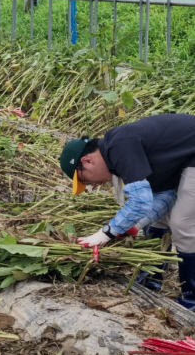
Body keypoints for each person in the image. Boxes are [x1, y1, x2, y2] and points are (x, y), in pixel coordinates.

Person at [59, 113, 195, 308]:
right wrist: (135, 225)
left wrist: (106, 233)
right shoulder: (118, 154)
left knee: (183, 224)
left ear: (88, 161)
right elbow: (165, 196)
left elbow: (140, 201)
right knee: (159, 221)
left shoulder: (119, 146)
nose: (92, 185)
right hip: (186, 160)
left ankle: (192, 299)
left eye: (85, 180)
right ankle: (152, 278)